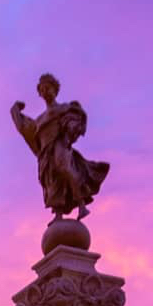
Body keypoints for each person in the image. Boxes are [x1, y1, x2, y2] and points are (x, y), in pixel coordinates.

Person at [11, 72, 110, 219]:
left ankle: (81, 203)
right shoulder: (40, 119)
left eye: (48, 88)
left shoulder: (64, 108)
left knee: (63, 167)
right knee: (52, 181)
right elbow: (26, 128)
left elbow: (75, 119)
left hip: (60, 146)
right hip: (46, 154)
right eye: (42, 89)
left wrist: (71, 128)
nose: (46, 92)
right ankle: (58, 215)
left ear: (55, 89)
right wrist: (15, 111)